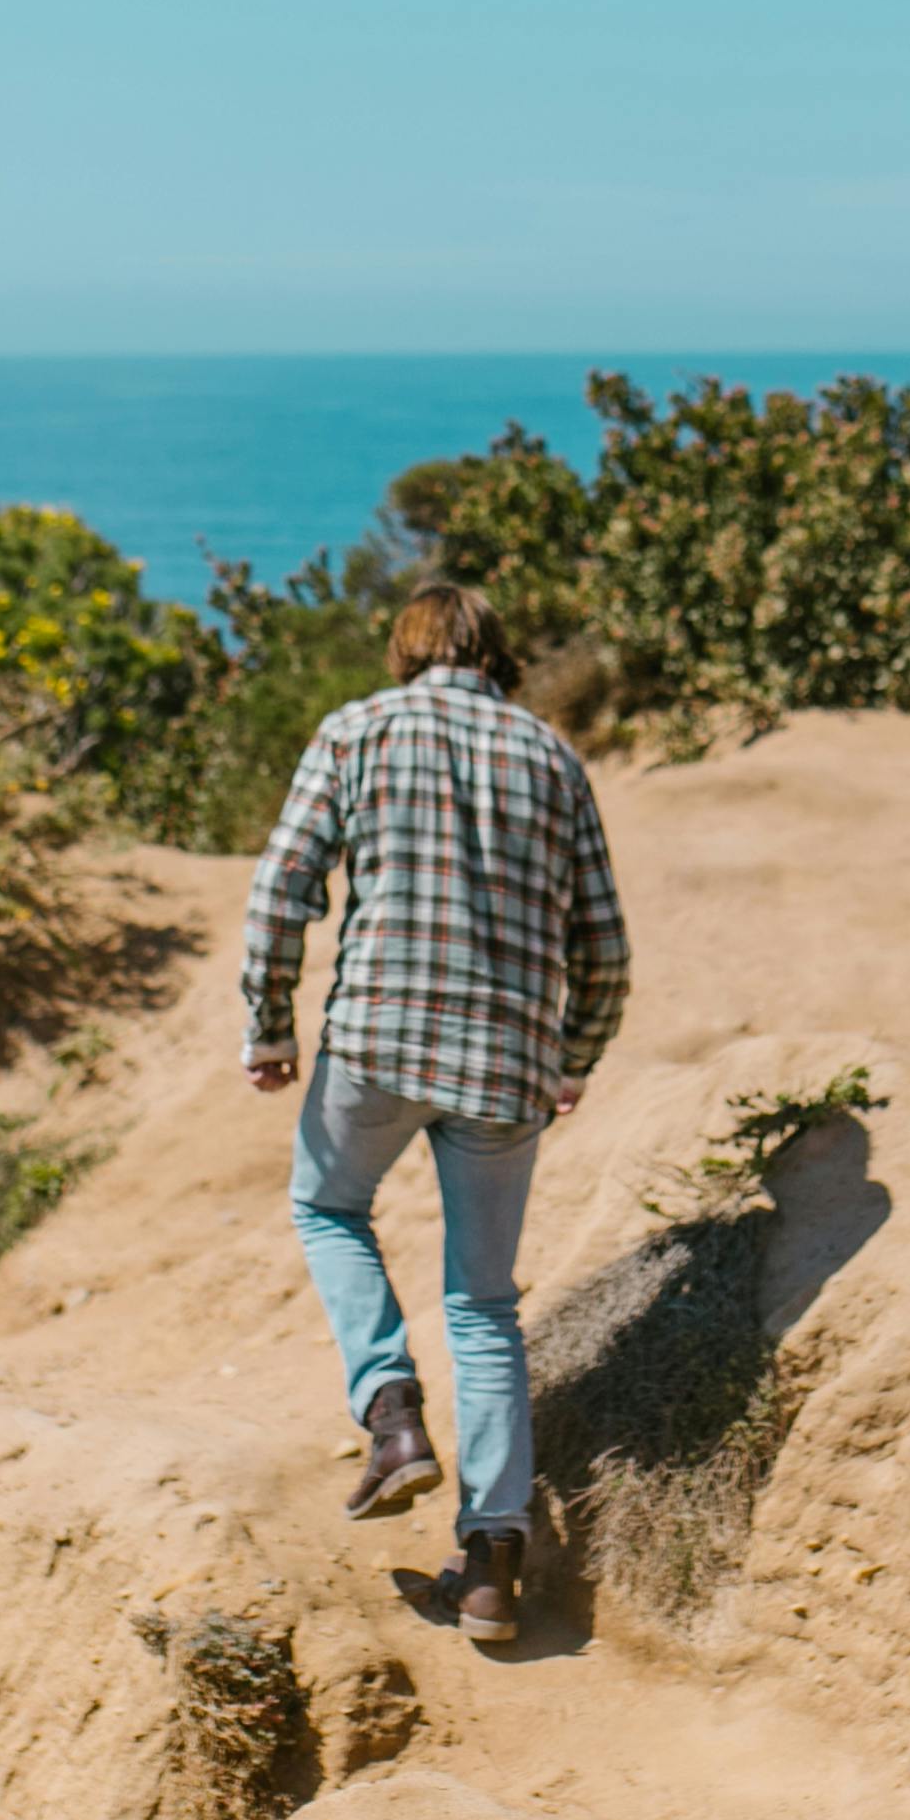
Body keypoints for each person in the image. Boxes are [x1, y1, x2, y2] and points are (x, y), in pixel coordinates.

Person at [240, 578, 631, 1646]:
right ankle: (494, 1560)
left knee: (327, 1207)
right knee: (484, 1304)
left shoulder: (356, 730)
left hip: (374, 1040)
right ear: (494, 654)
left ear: (405, 649)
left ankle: (391, 1414)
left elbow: (283, 888)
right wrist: (571, 1055)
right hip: (507, 1062)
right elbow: (603, 941)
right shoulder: (551, 755)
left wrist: (268, 1023)